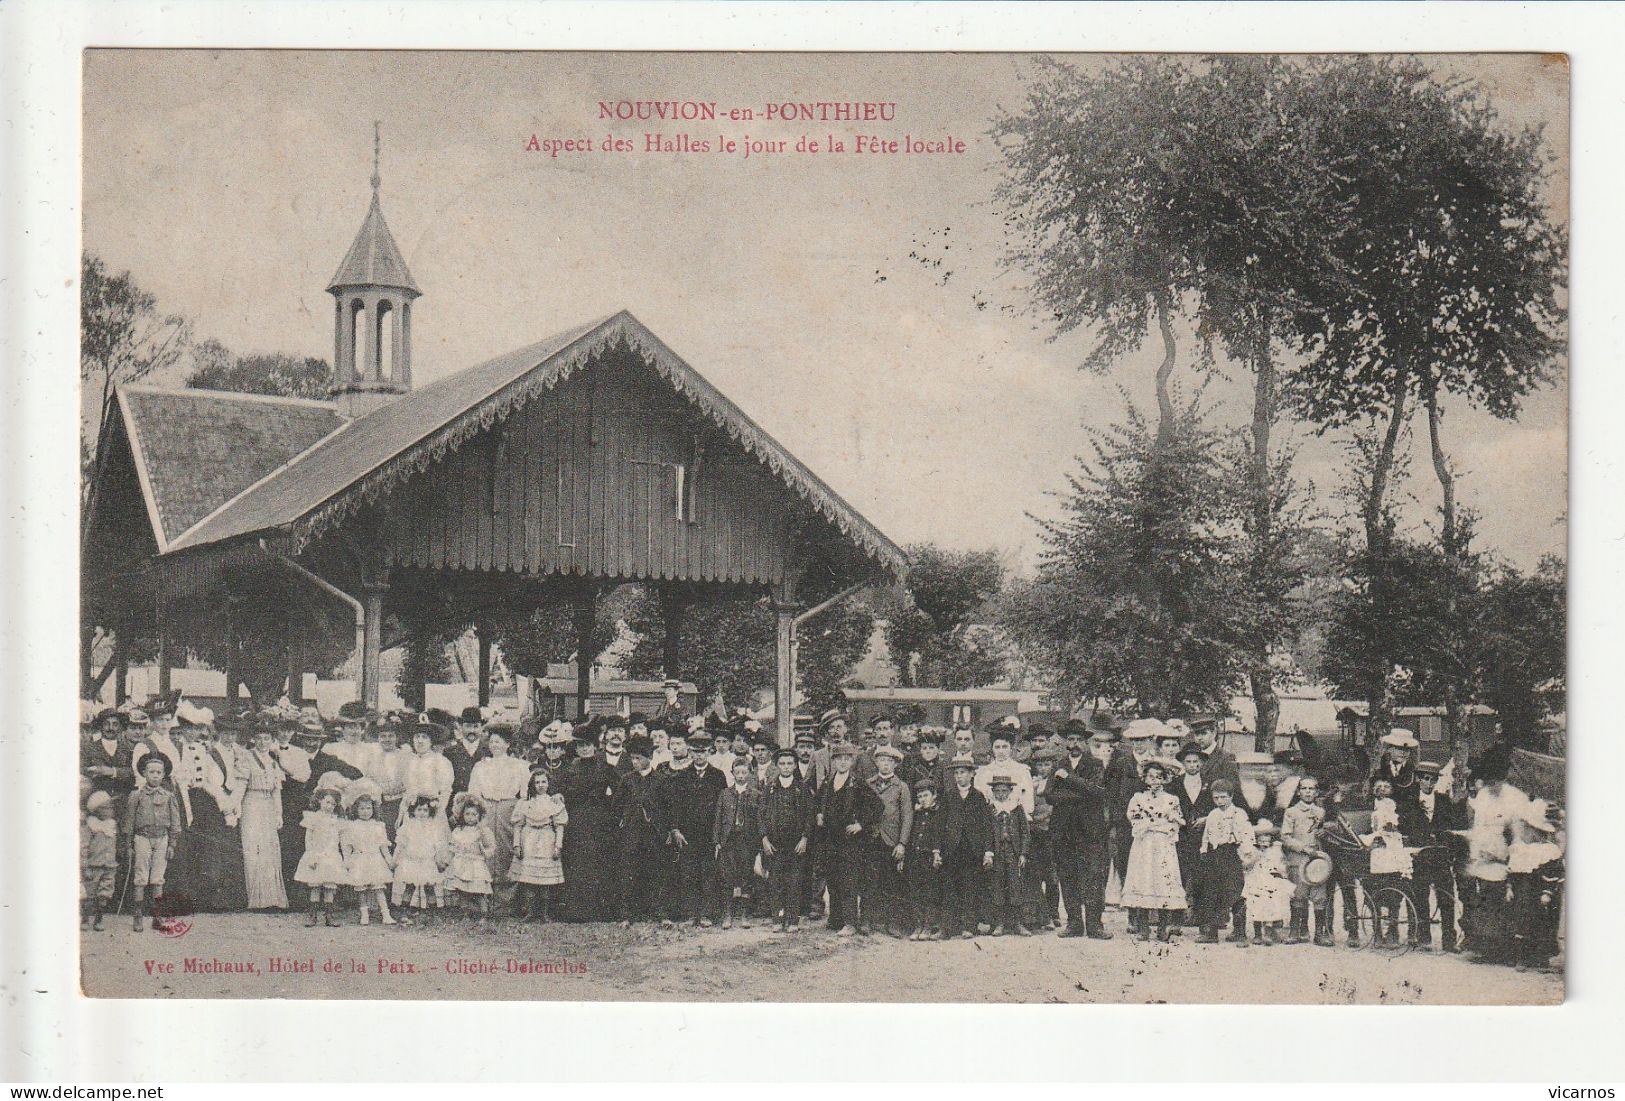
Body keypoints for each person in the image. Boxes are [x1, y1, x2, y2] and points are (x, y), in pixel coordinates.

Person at [1047, 720, 1112, 939]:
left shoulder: (1095, 765)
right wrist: (1079, 794)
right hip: (1063, 831)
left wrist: (1069, 780)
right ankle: (1074, 923)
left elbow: (1097, 792)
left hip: (1089, 831)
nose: (1074, 744)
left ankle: (1095, 925)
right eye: (1071, 739)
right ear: (1065, 742)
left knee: (1093, 877)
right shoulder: (1058, 764)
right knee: (1068, 876)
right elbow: (1049, 795)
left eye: (1078, 740)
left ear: (1085, 742)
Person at [654, 730, 725, 926]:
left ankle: (707, 914)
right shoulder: (682, 777)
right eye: (695, 751)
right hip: (688, 835)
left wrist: (719, 835)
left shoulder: (717, 776)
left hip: (709, 834)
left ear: (709, 752)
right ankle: (691, 913)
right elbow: (675, 806)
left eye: (703, 752)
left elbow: (722, 807)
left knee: (708, 874)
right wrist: (675, 829)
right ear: (690, 753)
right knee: (689, 874)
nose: (699, 755)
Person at [560, 724, 621, 922]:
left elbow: (620, 793)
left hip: (599, 822)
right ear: (576, 748)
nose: (584, 749)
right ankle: (577, 912)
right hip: (576, 821)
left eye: (588, 745)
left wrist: (609, 809)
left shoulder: (606, 767)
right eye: (580, 746)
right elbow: (563, 792)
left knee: (598, 863)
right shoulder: (571, 767)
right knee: (577, 864)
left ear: (595, 746)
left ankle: (600, 911)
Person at [1120, 760, 1186, 941]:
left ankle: (1163, 927)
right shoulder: (1138, 798)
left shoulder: (1172, 800)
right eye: (1151, 777)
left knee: (1163, 881)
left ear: (1165, 779)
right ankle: (1143, 928)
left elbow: (1176, 823)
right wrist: (1154, 823)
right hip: (1145, 844)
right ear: (1145, 778)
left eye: (1159, 777)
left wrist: (1163, 824)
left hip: (1163, 845)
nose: (1155, 780)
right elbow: (1135, 820)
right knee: (1144, 880)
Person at [819, 741, 880, 936]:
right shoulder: (829, 783)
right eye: (839, 759)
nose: (843, 763)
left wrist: (861, 824)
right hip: (831, 839)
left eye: (847, 759)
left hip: (850, 841)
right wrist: (819, 814)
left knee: (848, 881)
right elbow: (819, 803)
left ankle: (851, 922)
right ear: (834, 761)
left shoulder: (858, 783)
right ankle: (836, 918)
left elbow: (877, 806)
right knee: (833, 879)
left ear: (852, 761)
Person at [466, 726, 529, 905]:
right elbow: (474, 791)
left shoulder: (519, 765)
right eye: (492, 741)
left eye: (499, 742)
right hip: (486, 807)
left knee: (507, 848)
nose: (495, 745)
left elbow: (525, 792)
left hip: (509, 807)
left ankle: (507, 898)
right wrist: (478, 809)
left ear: (507, 744)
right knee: (485, 846)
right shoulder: (481, 765)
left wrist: (519, 809)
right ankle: (484, 896)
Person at [1406, 759, 1465, 952]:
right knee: (1420, 896)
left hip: (1440, 856)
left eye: (1433, 780)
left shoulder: (1443, 800)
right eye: (1426, 779)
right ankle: (1423, 937)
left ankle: (1449, 940)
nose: (1429, 784)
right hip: (1420, 856)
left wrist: (1446, 845)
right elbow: (1404, 827)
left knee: (1446, 898)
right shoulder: (1409, 801)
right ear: (1418, 779)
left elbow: (1451, 826)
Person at [758, 748, 814, 933]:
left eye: (790, 763)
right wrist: (764, 838)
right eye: (782, 763)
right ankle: (777, 918)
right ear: (777, 765)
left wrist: (805, 837)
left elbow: (809, 816)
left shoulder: (802, 788)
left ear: (795, 765)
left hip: (796, 843)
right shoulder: (770, 788)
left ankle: (793, 919)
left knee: (794, 881)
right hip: (775, 843)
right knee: (775, 880)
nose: (786, 767)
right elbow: (761, 815)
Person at [1192, 779, 1254, 944]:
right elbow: (1206, 835)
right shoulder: (1213, 814)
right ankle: (1211, 932)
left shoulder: (1239, 814)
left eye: (1223, 797)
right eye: (1216, 798)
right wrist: (1204, 851)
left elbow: (1247, 835)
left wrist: (1246, 854)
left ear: (1231, 796)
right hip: (1214, 855)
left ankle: (1239, 932)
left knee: (1235, 892)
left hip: (1232, 854)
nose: (1220, 801)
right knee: (1211, 892)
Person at [938, 759, 993, 939]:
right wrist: (938, 850)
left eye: (963, 772)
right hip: (952, 849)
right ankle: (948, 927)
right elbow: (941, 824)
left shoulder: (978, 797)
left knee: (970, 887)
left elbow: (986, 825)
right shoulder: (948, 796)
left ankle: (969, 926)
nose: (959, 776)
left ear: (971, 774)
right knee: (949, 888)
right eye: (956, 773)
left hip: (972, 849)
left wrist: (987, 851)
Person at [1508, 799, 1564, 971]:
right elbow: (1512, 871)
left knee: (1543, 923)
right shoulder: (1520, 848)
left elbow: (1554, 873)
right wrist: (1509, 887)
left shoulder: (1549, 850)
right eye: (1529, 828)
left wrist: (1547, 892)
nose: (1531, 833)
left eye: (1536, 831)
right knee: (1522, 921)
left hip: (1541, 892)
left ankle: (1541, 958)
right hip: (1524, 892)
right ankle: (1521, 958)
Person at [615, 734, 665, 925]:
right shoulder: (627, 780)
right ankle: (627, 915)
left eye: (639, 758)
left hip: (653, 835)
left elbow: (667, 807)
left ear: (649, 758)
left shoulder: (660, 780)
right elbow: (617, 805)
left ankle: (658, 913)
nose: (634, 762)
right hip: (631, 833)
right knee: (629, 873)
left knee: (655, 873)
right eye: (632, 758)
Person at [866, 744, 914, 937]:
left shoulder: (901, 787)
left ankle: (892, 922)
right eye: (882, 760)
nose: (885, 765)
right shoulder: (869, 784)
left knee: (891, 882)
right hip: (871, 837)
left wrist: (902, 843)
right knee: (870, 880)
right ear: (876, 762)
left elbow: (907, 816)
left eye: (889, 761)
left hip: (891, 840)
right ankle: (869, 920)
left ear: (895, 765)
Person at [239, 723, 288, 911]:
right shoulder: (246, 758)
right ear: (253, 739)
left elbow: (277, 791)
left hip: (268, 805)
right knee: (253, 848)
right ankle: (256, 899)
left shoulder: (274, 761)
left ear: (272, 740)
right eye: (258, 738)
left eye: (266, 738)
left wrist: (278, 813)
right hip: (251, 803)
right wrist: (234, 808)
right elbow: (241, 786)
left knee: (269, 849)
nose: (262, 742)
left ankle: (272, 898)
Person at [510, 768, 568, 922]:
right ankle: (530, 912)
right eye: (537, 782)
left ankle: (544, 913)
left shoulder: (554, 802)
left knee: (545, 880)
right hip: (528, 839)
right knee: (529, 879)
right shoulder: (525, 803)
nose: (541, 785)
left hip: (547, 839)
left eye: (544, 782)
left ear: (549, 783)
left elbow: (559, 826)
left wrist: (558, 846)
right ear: (532, 784)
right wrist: (517, 845)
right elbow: (517, 825)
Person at [1279, 774, 1330, 945]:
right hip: (1298, 859)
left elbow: (1325, 834)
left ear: (1316, 793)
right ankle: (1295, 931)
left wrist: (1324, 834)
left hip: (1317, 861)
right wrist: (1303, 848)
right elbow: (1285, 837)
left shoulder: (1321, 812)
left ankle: (1320, 934)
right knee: (1298, 895)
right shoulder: (1291, 812)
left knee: (1319, 896)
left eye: (1311, 789)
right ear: (1299, 792)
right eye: (1304, 788)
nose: (1308, 792)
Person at [714, 758, 763, 929]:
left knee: (746, 876)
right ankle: (727, 914)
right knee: (727, 876)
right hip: (728, 840)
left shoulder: (756, 795)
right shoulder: (725, 794)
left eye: (744, 772)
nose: (741, 776)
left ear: (750, 774)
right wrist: (717, 841)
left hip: (747, 841)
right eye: (737, 772)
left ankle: (744, 914)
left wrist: (758, 842)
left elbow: (759, 820)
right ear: (732, 774)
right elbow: (718, 818)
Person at [293, 776, 348, 928]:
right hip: (316, 855)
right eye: (327, 802)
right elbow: (308, 839)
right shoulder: (313, 818)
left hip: (332, 856)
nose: (330, 806)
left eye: (333, 804)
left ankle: (329, 916)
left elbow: (342, 841)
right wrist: (311, 856)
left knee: (330, 886)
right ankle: (313, 916)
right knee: (315, 886)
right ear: (320, 801)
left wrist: (346, 859)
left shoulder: (338, 820)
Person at [341, 780, 396, 926]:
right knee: (361, 889)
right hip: (359, 859)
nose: (366, 812)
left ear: (373, 809)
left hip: (375, 858)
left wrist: (389, 859)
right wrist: (346, 861)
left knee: (379, 887)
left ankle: (386, 914)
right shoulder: (352, 826)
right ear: (355, 810)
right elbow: (347, 846)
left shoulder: (378, 826)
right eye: (362, 809)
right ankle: (364, 914)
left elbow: (383, 845)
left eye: (368, 808)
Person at [986, 773, 1031, 936]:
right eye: (997, 791)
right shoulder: (990, 809)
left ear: (1010, 791)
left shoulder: (1017, 809)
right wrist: (988, 853)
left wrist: (1023, 853)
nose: (1001, 794)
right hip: (997, 853)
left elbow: (1025, 833)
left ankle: (1018, 923)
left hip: (1013, 852)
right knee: (998, 886)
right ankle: (999, 923)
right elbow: (986, 833)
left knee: (1015, 885)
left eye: (1004, 791)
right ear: (993, 792)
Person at [392, 796, 449, 922]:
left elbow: (437, 846)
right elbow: (401, 845)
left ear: (430, 812)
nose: (422, 813)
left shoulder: (433, 827)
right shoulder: (408, 827)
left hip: (427, 861)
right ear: (413, 811)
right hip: (411, 861)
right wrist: (394, 860)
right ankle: (404, 911)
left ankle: (432, 912)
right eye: (419, 810)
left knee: (429, 886)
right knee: (409, 886)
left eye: (425, 810)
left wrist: (439, 860)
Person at [444, 793, 497, 923]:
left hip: (476, 864)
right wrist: (447, 861)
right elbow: (453, 847)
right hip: (461, 863)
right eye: (467, 814)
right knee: (463, 891)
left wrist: (485, 852)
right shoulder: (458, 831)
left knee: (479, 891)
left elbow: (490, 846)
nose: (470, 817)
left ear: (479, 816)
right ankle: (466, 914)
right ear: (462, 815)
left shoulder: (482, 831)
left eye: (474, 814)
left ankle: (484, 914)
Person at [397, 722, 454, 839]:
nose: (420, 741)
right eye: (417, 737)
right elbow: (407, 791)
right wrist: (401, 814)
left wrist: (437, 814)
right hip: (412, 812)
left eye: (424, 737)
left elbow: (446, 791)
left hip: (432, 811)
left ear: (431, 741)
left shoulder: (440, 761)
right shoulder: (409, 761)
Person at [904, 778, 945, 940]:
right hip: (916, 857)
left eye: (926, 795)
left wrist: (937, 853)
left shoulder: (939, 813)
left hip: (931, 857)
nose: (923, 799)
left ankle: (928, 926)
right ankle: (918, 925)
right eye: (920, 796)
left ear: (934, 795)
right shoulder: (917, 813)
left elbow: (939, 835)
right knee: (915, 892)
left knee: (930, 892)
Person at [1243, 820, 1292, 946]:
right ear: (1257, 840)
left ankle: (1270, 933)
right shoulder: (1253, 852)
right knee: (1257, 908)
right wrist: (1255, 858)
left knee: (1272, 907)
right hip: (1257, 883)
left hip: (1271, 884)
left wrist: (1281, 875)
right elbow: (1246, 866)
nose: (1264, 843)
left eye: (1267, 840)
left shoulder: (1275, 851)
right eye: (1261, 840)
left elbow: (1281, 867)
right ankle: (1257, 934)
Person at [81, 790, 120, 931]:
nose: (110, 811)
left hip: (109, 865)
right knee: (89, 893)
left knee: (104, 893)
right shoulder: (91, 826)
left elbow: (115, 844)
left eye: (111, 807)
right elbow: (83, 847)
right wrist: (85, 865)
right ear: (96, 811)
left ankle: (99, 919)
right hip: (94, 865)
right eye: (106, 808)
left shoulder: (112, 825)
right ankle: (85, 918)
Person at [974, 730, 1034, 815]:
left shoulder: (1022, 771)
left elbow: (1028, 803)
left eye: (1005, 747)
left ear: (1011, 748)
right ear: (992, 749)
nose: (1001, 751)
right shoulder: (982, 772)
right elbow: (978, 802)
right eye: (997, 747)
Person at [83, 709, 136, 798]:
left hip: (123, 796)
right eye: (106, 724)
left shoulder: (128, 749)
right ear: (100, 726)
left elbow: (133, 772)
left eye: (115, 724)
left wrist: (113, 771)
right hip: (97, 796)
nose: (110, 728)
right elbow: (81, 769)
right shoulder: (89, 748)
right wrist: (93, 771)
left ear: (120, 727)